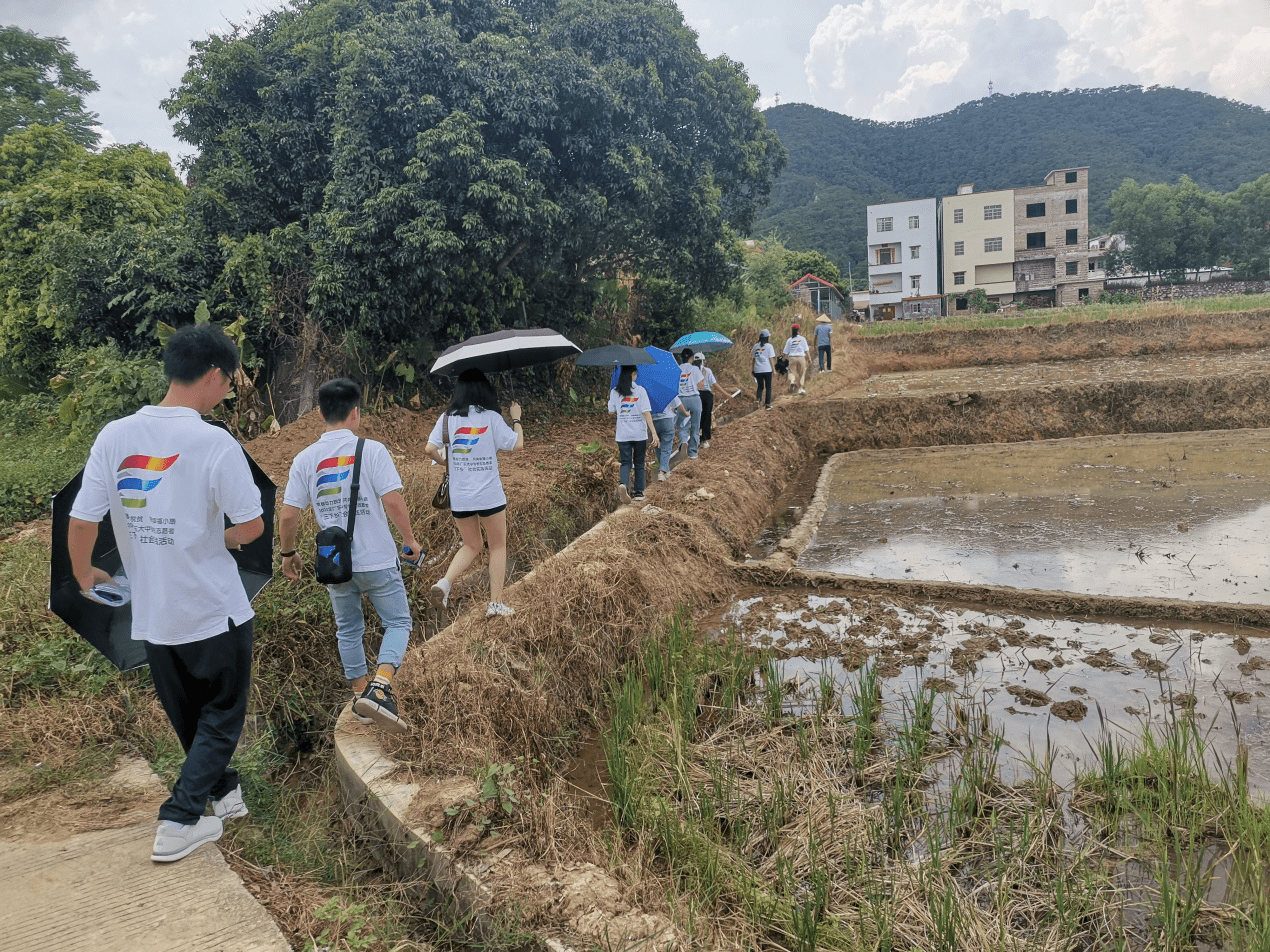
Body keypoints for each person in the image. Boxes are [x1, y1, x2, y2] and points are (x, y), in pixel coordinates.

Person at [67, 323, 264, 864]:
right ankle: (179, 819)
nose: (230, 389)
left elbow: (84, 518)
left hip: (153, 614)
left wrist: (85, 575)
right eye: (232, 381)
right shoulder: (213, 441)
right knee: (222, 715)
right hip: (214, 609)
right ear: (217, 375)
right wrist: (212, 535)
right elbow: (250, 528)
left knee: (191, 716)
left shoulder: (115, 436)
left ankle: (225, 797)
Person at [279, 378, 422, 734]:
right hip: (376, 558)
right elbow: (392, 500)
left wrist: (288, 553)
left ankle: (360, 697)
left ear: (321, 414)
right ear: (355, 413)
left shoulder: (304, 459)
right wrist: (410, 540)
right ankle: (380, 686)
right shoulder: (372, 450)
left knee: (348, 629)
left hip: (335, 563)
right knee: (399, 623)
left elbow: (288, 515)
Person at [425, 369, 523, 618]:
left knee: (472, 544)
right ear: (483, 389)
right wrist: (517, 419)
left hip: (461, 497)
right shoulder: (490, 417)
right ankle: (496, 603)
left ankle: (444, 583)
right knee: (498, 545)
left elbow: (429, 449)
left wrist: (447, 464)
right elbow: (517, 444)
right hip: (489, 495)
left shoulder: (447, 418)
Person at [607, 365, 659, 503]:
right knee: (639, 463)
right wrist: (654, 433)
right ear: (633, 374)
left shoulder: (614, 391)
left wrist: (611, 399)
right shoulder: (640, 391)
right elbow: (646, 412)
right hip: (639, 434)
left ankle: (624, 484)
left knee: (625, 462)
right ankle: (638, 492)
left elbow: (611, 410)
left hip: (623, 434)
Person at [650, 392, 689, 482]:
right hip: (666, 420)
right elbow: (678, 404)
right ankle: (661, 472)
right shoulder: (666, 390)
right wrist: (686, 413)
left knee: (658, 446)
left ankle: (666, 470)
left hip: (653, 422)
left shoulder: (648, 393)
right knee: (666, 447)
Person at [674, 347, 705, 459]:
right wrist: (701, 374)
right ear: (692, 358)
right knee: (695, 427)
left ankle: (683, 442)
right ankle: (692, 453)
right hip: (695, 399)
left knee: (682, 425)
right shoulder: (695, 369)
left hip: (681, 400)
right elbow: (701, 385)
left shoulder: (676, 369)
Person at [693, 352, 717, 448]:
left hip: (697, 395)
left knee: (698, 416)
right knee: (706, 416)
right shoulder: (706, 370)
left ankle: (699, 439)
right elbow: (714, 384)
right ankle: (704, 439)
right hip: (705, 394)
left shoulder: (694, 371)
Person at [783, 323, 810, 394]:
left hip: (792, 358)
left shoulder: (789, 340)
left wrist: (784, 359)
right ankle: (800, 388)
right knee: (802, 373)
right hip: (801, 357)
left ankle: (792, 382)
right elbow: (806, 350)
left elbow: (785, 352)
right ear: (799, 330)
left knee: (792, 372)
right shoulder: (802, 339)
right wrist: (809, 358)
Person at [752, 329, 775, 410]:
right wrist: (774, 370)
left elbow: (753, 360)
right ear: (767, 337)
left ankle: (758, 400)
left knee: (760, 386)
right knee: (768, 387)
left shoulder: (755, 347)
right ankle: (767, 404)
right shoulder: (769, 346)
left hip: (758, 370)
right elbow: (771, 359)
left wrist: (753, 369)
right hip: (767, 369)